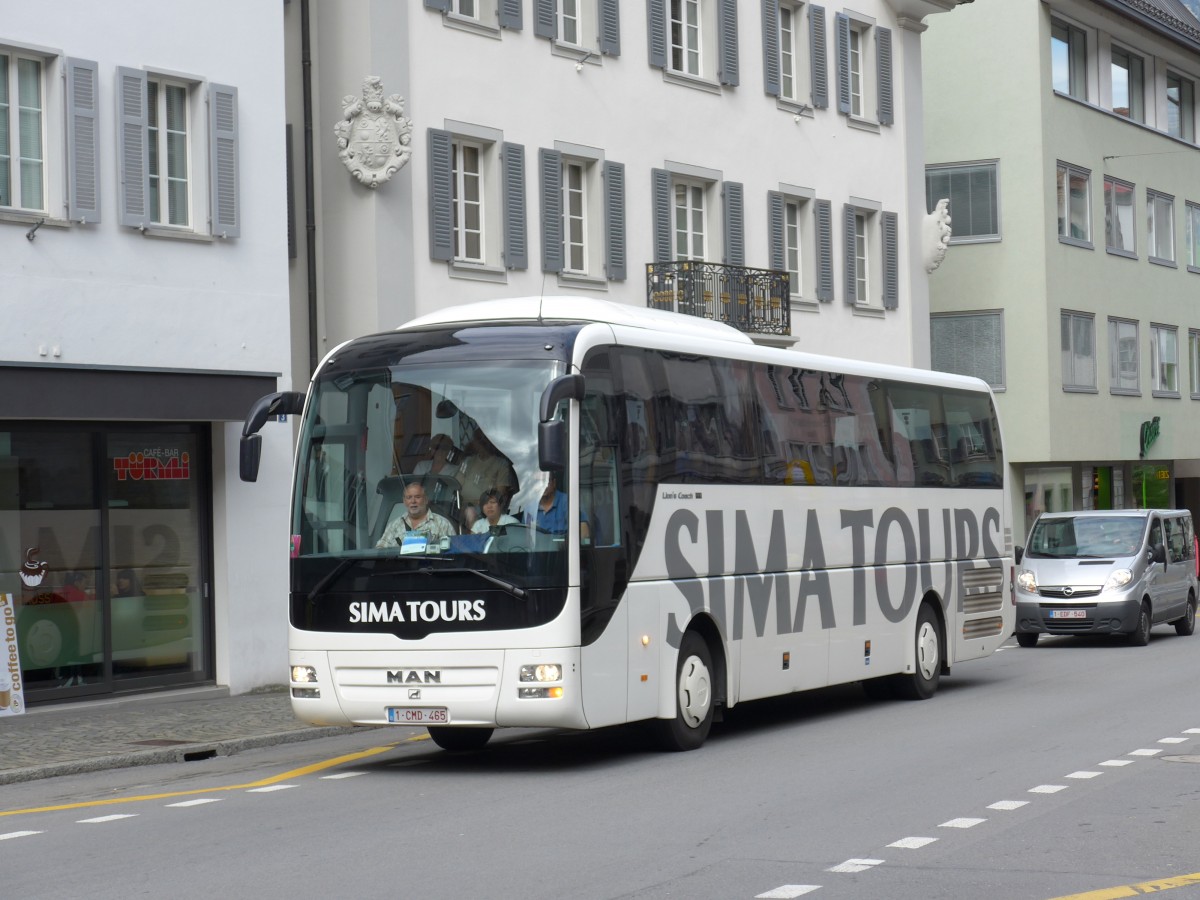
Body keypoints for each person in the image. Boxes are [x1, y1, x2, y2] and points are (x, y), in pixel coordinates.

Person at [376, 480, 457, 548]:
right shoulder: (394, 526)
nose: (413, 501)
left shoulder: (442, 524)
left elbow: (455, 552)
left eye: (417, 497)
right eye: (409, 497)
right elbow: (380, 551)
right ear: (404, 501)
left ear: (426, 500)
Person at [532, 472, 589, 539]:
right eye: (537, 482)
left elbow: (584, 533)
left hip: (563, 549)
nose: (542, 485)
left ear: (554, 483)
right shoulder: (531, 506)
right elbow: (524, 536)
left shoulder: (568, 502)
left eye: (545, 481)